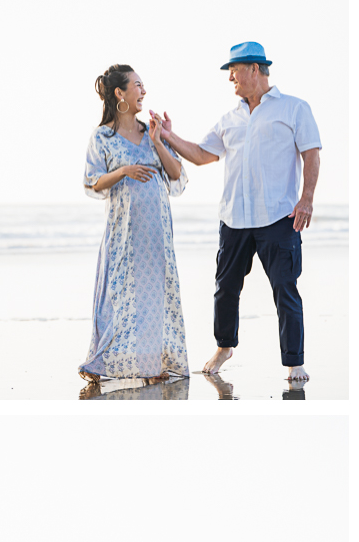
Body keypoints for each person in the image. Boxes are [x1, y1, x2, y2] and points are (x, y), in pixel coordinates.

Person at [156, 41, 321, 382]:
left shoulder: (294, 108)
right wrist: (169, 137)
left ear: (256, 69)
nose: (230, 76)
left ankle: (294, 361)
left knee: (285, 289)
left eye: (235, 70)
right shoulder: (229, 118)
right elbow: (203, 155)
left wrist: (306, 199)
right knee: (225, 288)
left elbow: (311, 154)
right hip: (234, 218)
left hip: (278, 217)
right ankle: (224, 346)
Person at [80, 64, 189, 391]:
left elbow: (176, 175)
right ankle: (103, 361)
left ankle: (154, 364)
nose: (143, 91)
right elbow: (92, 182)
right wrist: (124, 170)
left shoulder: (150, 132)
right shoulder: (103, 137)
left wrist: (158, 140)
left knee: (155, 296)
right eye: (137, 85)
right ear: (120, 93)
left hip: (157, 232)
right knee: (121, 296)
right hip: (124, 232)